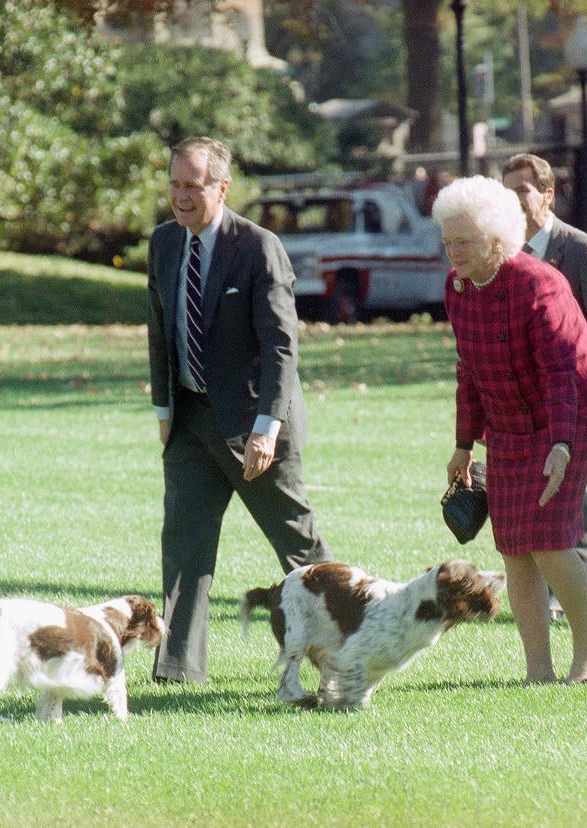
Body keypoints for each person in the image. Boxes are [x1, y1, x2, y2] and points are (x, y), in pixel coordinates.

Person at [146, 136, 331, 683]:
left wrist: (266, 429)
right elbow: (159, 331)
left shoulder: (258, 247)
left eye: (193, 185)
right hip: (189, 421)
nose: (181, 195)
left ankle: (345, 648)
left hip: (254, 425)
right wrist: (163, 409)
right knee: (183, 544)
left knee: (298, 547)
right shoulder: (163, 244)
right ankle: (177, 669)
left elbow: (281, 346)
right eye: (175, 183)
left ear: (221, 188)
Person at [433, 176, 587, 685]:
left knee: (550, 539)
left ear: (496, 239)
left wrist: (560, 444)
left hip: (567, 415)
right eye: (447, 241)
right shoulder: (459, 287)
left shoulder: (539, 284)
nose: (453, 252)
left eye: (463, 242)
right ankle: (538, 670)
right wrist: (464, 445)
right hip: (507, 424)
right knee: (513, 548)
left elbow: (561, 371)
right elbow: (467, 369)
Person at [502, 153, 587, 621]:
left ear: (547, 194)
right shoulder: (506, 256)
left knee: (570, 502)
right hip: (526, 409)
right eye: (507, 191)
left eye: (522, 190)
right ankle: (570, 598)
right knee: (556, 501)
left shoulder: (580, 251)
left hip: (578, 399)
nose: (513, 201)